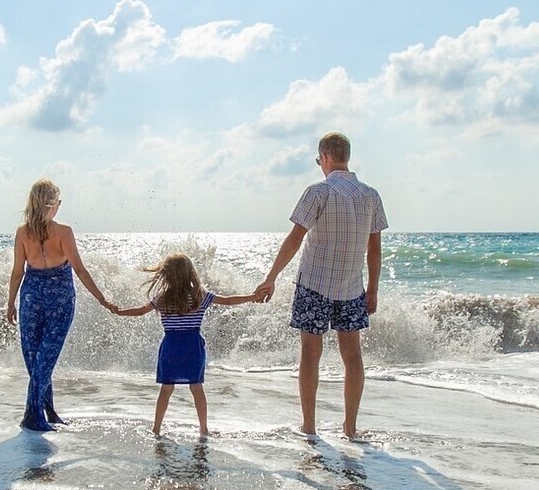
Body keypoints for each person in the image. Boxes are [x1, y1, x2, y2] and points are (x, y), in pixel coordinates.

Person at [255, 131, 388, 439]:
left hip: (314, 284)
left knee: (310, 355)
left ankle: (310, 426)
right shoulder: (371, 195)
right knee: (352, 356)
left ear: (326, 157)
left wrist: (271, 277)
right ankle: (350, 428)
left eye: (319, 160)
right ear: (347, 156)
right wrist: (374, 289)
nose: (320, 165)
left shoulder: (318, 192)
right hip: (352, 287)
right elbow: (375, 250)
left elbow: (294, 239)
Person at [7, 179, 114, 432]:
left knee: (38, 359)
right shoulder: (63, 232)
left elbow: (17, 272)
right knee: (42, 360)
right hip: (59, 299)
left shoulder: (23, 232)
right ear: (54, 204)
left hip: (31, 297)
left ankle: (47, 411)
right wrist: (102, 298)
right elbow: (79, 269)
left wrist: (10, 302)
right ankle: (33, 415)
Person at [115, 252, 260, 437]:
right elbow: (228, 300)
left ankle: (156, 428)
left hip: (171, 347)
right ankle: (204, 429)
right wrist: (252, 297)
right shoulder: (200, 296)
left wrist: (119, 312)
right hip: (192, 347)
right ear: (190, 273)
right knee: (196, 388)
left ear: (166, 275)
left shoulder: (162, 298)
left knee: (166, 389)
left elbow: (140, 311)